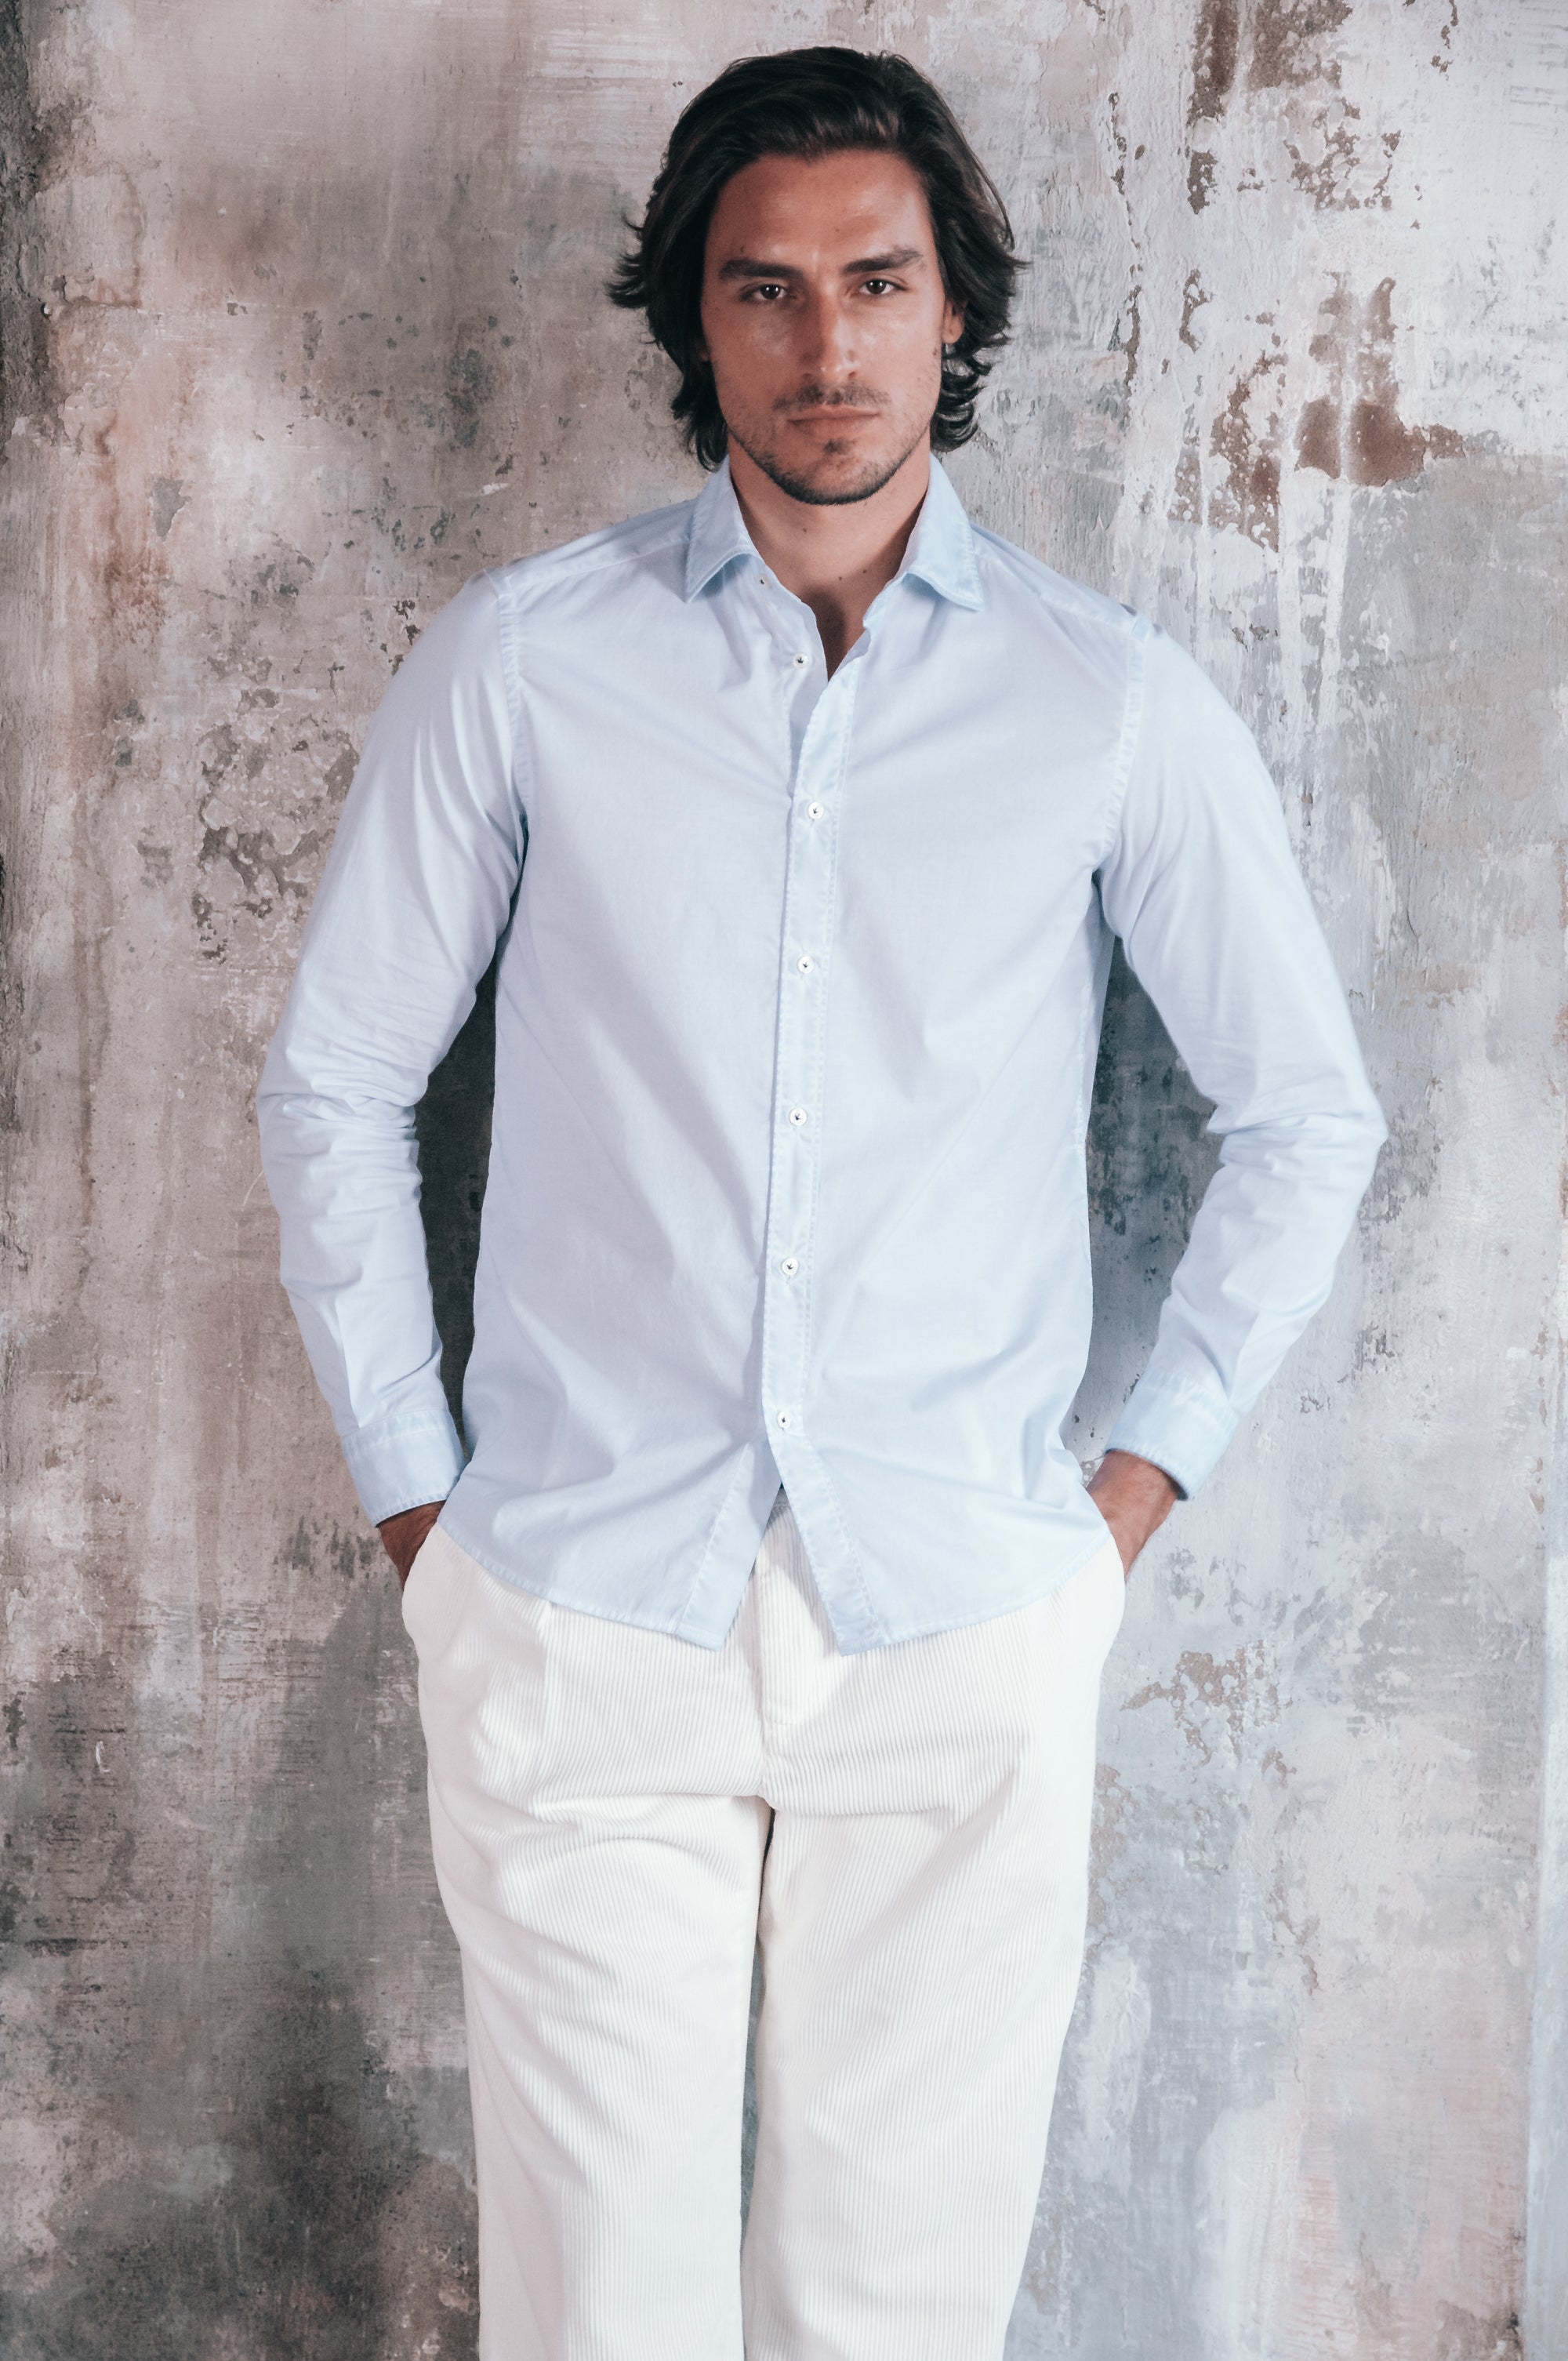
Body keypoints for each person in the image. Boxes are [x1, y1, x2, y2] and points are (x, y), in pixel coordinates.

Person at [257, 44, 1385, 2361]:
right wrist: (428, 1529)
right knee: (601, 2326)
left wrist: (1112, 1525)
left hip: (959, 1622)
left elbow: (1308, 1116)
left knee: (896, 2326)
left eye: (878, 281)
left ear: (954, 306)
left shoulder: (1109, 701)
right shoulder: (523, 665)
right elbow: (335, 1083)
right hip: (580, 1610)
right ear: (699, 319)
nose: (829, 344)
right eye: (765, 289)